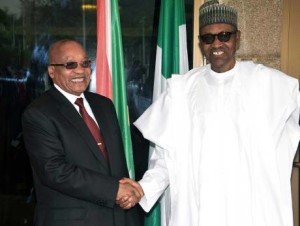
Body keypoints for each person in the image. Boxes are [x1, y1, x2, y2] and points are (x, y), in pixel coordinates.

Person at [119, 0, 300, 226]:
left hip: (251, 209)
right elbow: (166, 160)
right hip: (200, 209)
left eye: (225, 35)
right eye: (208, 37)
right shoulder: (182, 91)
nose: (217, 43)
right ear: (200, 43)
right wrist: (143, 189)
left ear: (237, 37)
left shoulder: (270, 84)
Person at [22, 39, 143, 226]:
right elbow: (55, 171)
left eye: (85, 63)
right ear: (52, 71)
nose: (80, 70)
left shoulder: (104, 105)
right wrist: (114, 190)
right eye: (70, 64)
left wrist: (129, 191)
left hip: (120, 217)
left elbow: (115, 163)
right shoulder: (39, 113)